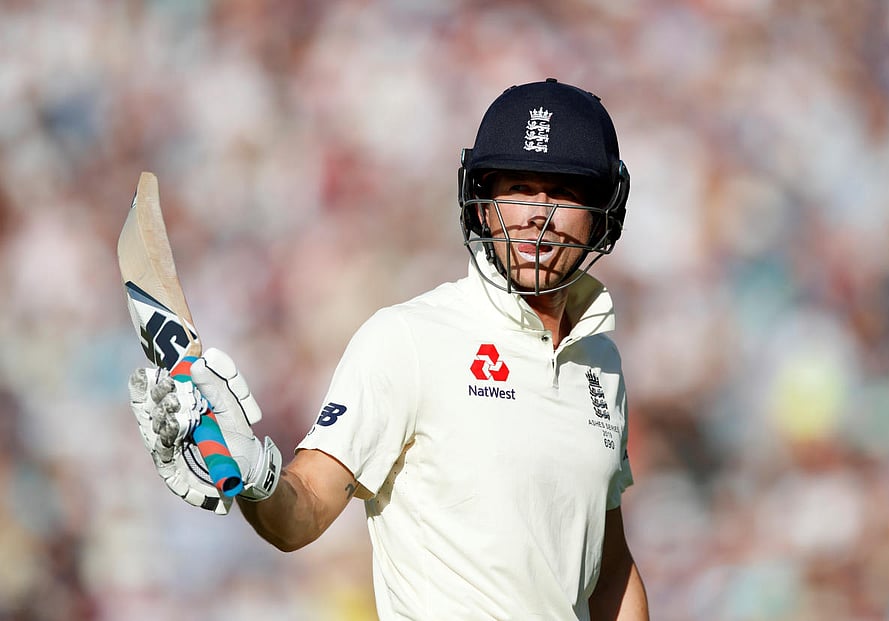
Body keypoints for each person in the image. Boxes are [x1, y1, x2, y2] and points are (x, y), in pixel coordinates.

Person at [129, 78, 649, 620]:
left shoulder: (600, 365)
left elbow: (609, 568)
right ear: (482, 205)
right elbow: (301, 513)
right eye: (517, 188)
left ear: (602, 211)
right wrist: (256, 477)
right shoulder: (409, 339)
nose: (535, 215)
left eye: (562, 192)